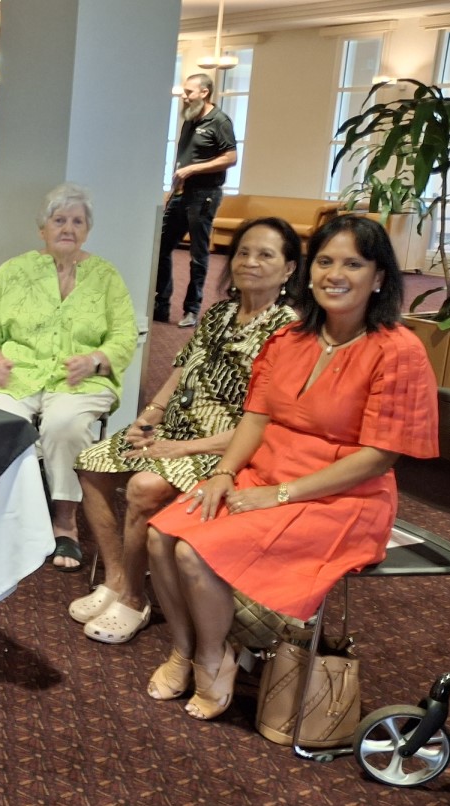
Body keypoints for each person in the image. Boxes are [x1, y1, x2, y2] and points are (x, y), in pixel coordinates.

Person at [144, 215, 438, 721]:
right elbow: (255, 419)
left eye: (353, 263)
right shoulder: (291, 339)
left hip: (343, 498)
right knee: (159, 535)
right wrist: (223, 473)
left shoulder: (398, 351)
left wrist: (280, 495)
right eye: (325, 261)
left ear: (380, 277)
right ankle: (185, 650)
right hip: (263, 477)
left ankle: (215, 659)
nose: (334, 274)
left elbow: (378, 457)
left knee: (195, 552)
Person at [70, 217, 301, 645]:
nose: (250, 262)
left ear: (289, 270)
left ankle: (136, 599)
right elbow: (181, 369)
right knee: (91, 465)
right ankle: (118, 578)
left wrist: (177, 449)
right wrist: (149, 416)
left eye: (266, 255)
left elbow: (265, 423)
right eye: (244, 253)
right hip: (174, 429)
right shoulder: (220, 312)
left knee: (142, 487)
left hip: (223, 445)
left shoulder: (289, 331)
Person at [0, 183, 137, 572]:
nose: (68, 228)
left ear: (87, 230)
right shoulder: (14, 272)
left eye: (77, 221)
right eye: (59, 220)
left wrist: (96, 360)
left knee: (64, 426)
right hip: (17, 375)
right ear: (42, 228)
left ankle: (64, 523)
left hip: (79, 382)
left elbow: (125, 336)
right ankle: (5, 516)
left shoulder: (106, 277)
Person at [153, 73, 238, 329]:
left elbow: (230, 157)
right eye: (184, 91)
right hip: (181, 193)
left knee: (197, 255)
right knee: (162, 247)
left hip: (205, 195)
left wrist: (193, 170)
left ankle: (192, 309)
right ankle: (161, 303)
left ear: (204, 92)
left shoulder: (219, 120)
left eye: (189, 92)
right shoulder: (190, 119)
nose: (184, 96)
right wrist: (174, 186)